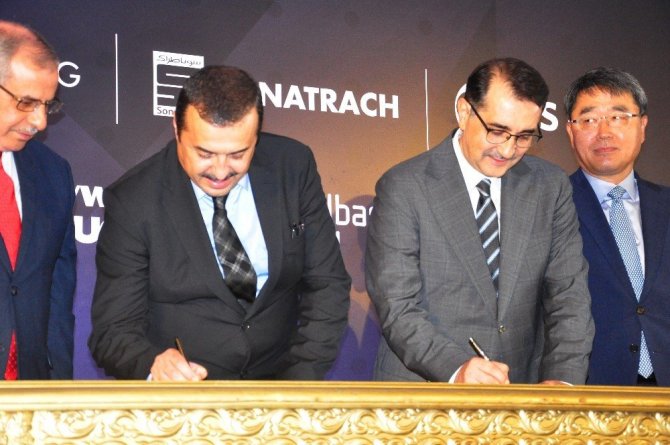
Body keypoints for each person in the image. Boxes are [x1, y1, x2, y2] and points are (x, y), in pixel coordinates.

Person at [89, 65, 351, 381]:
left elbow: (327, 284)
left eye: (238, 154)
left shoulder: (293, 167)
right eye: (205, 153)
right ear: (176, 129)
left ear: (257, 136)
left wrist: (296, 385)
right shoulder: (134, 200)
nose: (220, 170)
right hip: (185, 399)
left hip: (284, 387)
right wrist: (153, 363)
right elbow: (114, 331)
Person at [366, 57, 594, 384]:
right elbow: (397, 306)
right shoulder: (405, 186)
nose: (508, 150)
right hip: (425, 393)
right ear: (464, 111)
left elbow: (568, 296)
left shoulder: (550, 186)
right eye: (497, 131)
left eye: (524, 136)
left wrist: (563, 380)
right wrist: (456, 368)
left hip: (521, 393)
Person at [565, 67, 669, 386]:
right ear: (570, 131)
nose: (604, 132)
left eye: (618, 117)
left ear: (643, 126)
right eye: (589, 119)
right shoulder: (552, 207)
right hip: (589, 390)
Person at [0, 21, 76, 380]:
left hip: (30, 397)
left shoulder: (53, 173)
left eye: (48, 104)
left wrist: (56, 392)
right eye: (27, 103)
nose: (41, 122)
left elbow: (58, 297)